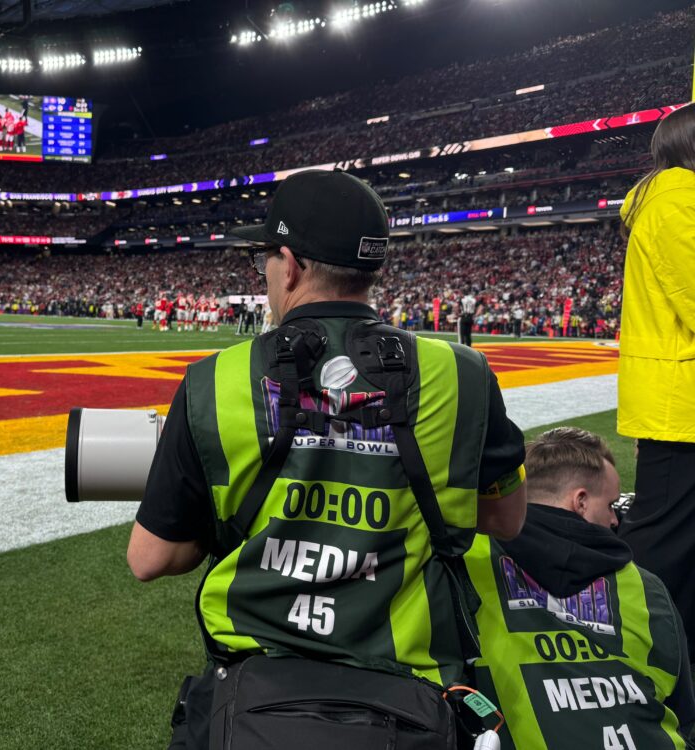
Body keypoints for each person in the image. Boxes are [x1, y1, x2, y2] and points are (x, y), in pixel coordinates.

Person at [127, 170, 527, 749]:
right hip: (410, 697)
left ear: (289, 265)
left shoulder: (216, 380)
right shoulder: (463, 374)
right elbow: (505, 519)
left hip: (257, 687)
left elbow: (150, 557)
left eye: (265, 257)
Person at [467, 427, 695, 748]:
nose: (616, 520)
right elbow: (683, 714)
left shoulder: (470, 558)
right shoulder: (646, 588)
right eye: (611, 505)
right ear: (581, 502)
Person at [617, 103, 695, 667]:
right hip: (681, 407)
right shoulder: (676, 201)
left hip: (679, 401)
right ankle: (637, 656)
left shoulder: (671, 199)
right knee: (666, 546)